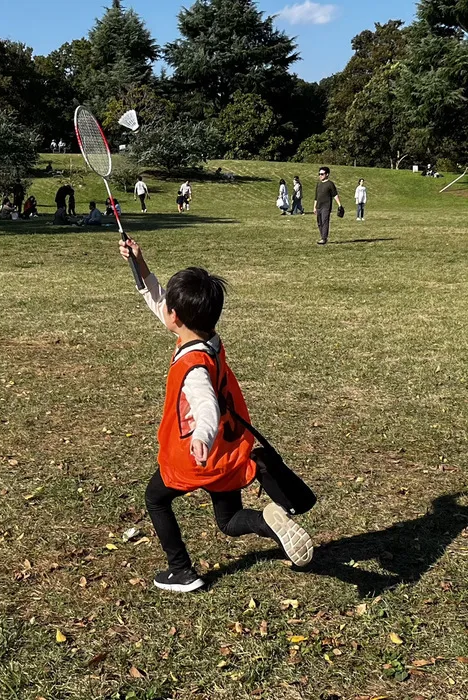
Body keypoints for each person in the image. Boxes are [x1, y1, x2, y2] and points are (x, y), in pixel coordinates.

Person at [117, 237, 313, 592]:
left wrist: (201, 438)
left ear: (175, 318)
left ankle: (181, 571)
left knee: (155, 498)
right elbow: (158, 299)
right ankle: (268, 521)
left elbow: (204, 403)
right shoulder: (208, 339)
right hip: (227, 450)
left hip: (199, 453)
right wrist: (139, 264)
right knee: (228, 520)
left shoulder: (193, 366)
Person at [313, 166, 342, 245]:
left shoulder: (330, 184)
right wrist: (314, 207)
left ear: (327, 174)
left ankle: (324, 238)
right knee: (319, 223)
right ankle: (323, 236)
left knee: (325, 222)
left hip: (326, 206)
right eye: (319, 174)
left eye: (322, 174)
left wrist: (339, 205)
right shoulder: (318, 184)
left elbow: (335, 195)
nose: (320, 175)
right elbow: (316, 196)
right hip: (318, 206)